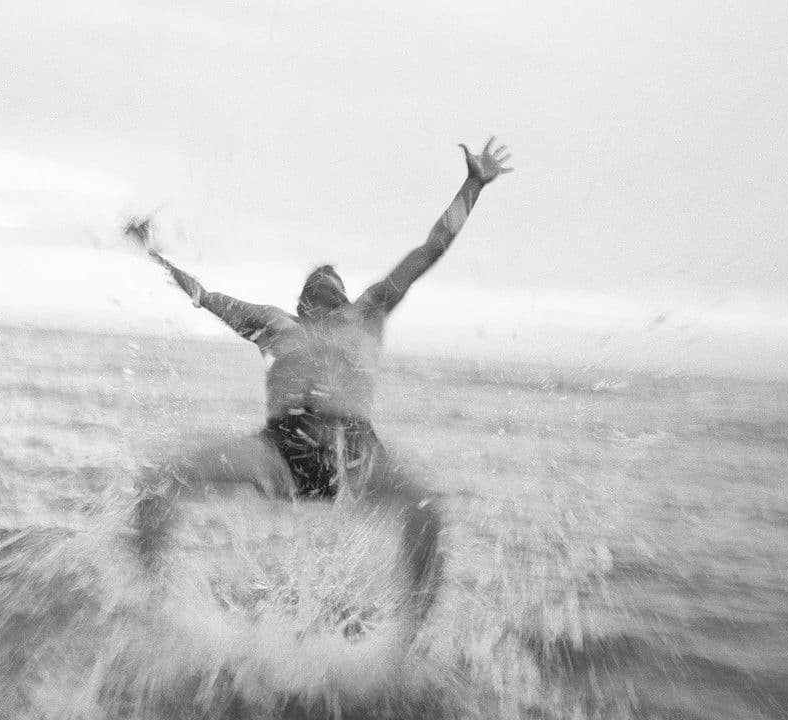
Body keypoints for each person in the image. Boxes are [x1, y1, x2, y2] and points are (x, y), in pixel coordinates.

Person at [126, 137, 512, 623]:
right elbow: (203, 295)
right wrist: (154, 255)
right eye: (316, 279)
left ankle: (405, 640)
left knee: (426, 515)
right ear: (302, 299)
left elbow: (431, 248)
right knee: (159, 482)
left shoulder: (368, 312)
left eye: (331, 278)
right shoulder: (274, 324)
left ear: (343, 293)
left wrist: (473, 184)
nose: (324, 278)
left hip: (355, 451)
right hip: (279, 449)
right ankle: (154, 608)